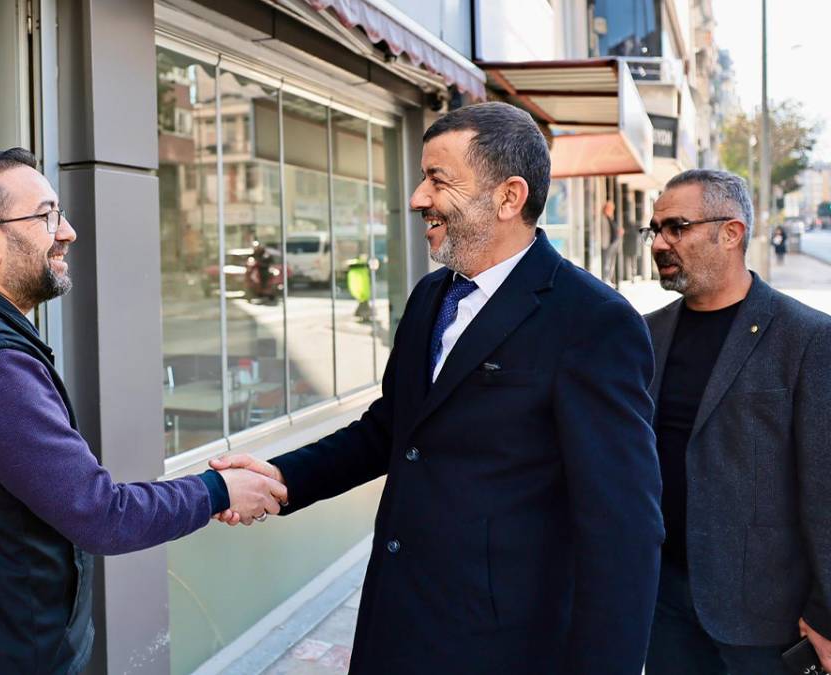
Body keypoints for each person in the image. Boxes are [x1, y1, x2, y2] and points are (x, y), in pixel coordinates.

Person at [213, 102, 664, 673]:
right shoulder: (431, 296)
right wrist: (280, 477)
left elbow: (624, 530)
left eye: (437, 179)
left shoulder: (594, 322)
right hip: (396, 625)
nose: (417, 198)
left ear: (509, 196)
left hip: (504, 647)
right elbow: (390, 429)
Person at [0, 148, 287, 674]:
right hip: (0, 652)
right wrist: (218, 491)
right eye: (46, 216)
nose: (68, 232)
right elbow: (100, 514)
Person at [640, 169, 831, 675]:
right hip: (662, 605)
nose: (659, 243)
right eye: (654, 229)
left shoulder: (808, 339)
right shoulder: (643, 336)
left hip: (767, 618)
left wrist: (826, 611)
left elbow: (825, 486)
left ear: (731, 233)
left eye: (676, 227)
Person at [603, 198, 625, 283]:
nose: (611, 210)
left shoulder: (610, 218)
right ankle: (606, 280)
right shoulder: (604, 218)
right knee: (607, 263)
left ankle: (608, 279)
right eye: (610, 208)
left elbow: (614, 229)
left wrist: (619, 231)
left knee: (611, 263)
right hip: (608, 244)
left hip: (613, 243)